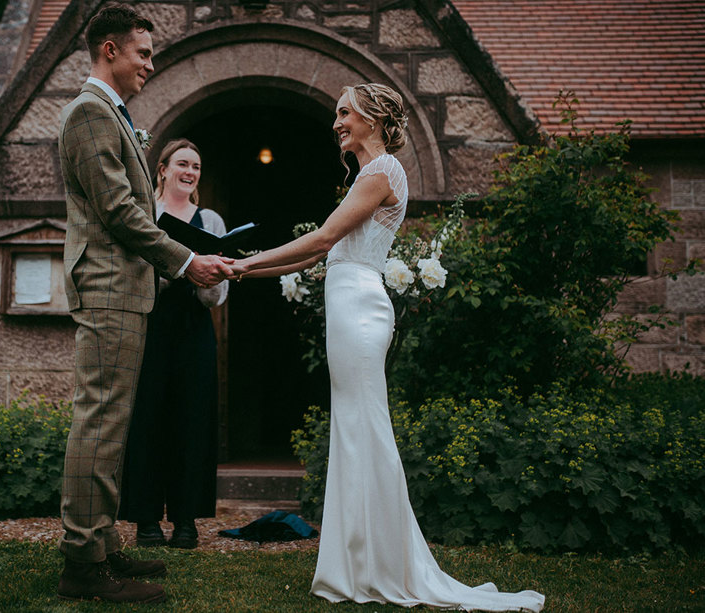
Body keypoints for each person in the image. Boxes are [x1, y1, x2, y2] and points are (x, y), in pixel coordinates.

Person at [229, 83, 545, 611]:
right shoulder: (368, 176)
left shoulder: (380, 173)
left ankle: (373, 565)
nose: (336, 122)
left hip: (358, 308)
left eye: (344, 112)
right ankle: (359, 563)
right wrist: (249, 271)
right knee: (353, 429)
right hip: (350, 301)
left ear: (373, 118)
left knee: (362, 430)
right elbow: (314, 259)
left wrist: (243, 262)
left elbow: (323, 239)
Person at [56, 5, 232, 604]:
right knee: (99, 425)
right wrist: (185, 260)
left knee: (112, 426)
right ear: (109, 50)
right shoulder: (89, 113)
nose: (151, 65)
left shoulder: (112, 115)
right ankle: (83, 564)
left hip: (124, 292)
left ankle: (101, 545)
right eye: (143, 54)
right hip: (108, 288)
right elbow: (120, 212)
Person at [119, 139, 226, 550]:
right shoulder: (145, 214)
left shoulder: (211, 220)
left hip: (195, 325)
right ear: (161, 169)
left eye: (196, 166)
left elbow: (217, 295)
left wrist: (210, 278)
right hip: (150, 324)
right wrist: (174, 269)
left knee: (193, 419)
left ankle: (186, 519)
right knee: (148, 417)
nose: (190, 171)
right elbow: (132, 271)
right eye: (182, 163)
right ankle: (145, 518)